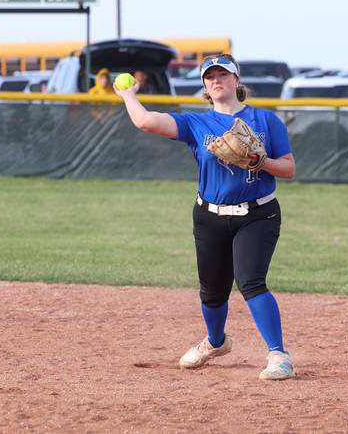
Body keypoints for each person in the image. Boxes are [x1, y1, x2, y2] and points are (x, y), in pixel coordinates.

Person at [114, 53, 297, 381]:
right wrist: (129, 95)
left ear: (236, 81)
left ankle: (279, 356)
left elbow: (289, 168)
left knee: (251, 281)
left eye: (223, 74)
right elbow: (145, 121)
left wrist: (261, 162)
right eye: (210, 77)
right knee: (212, 292)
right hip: (209, 216)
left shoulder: (266, 120)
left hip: (258, 214)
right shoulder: (195, 124)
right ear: (205, 88)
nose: (217, 80)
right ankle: (216, 342)